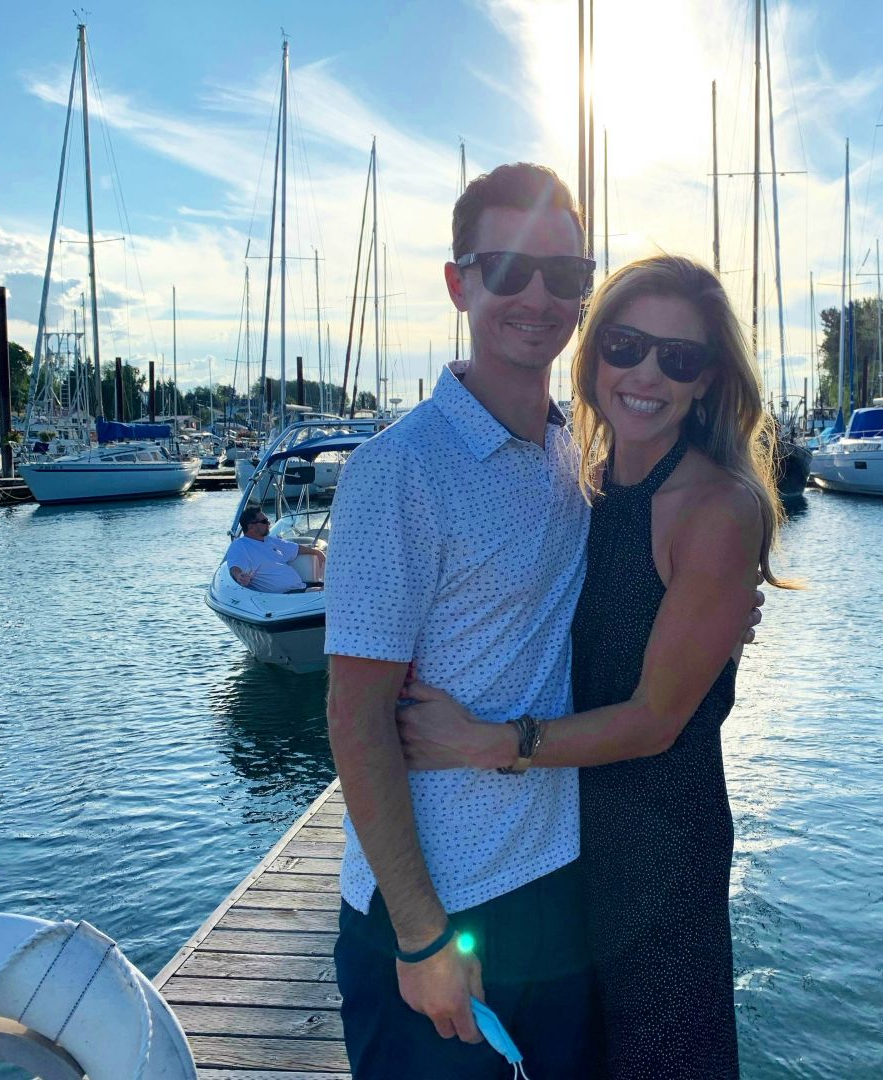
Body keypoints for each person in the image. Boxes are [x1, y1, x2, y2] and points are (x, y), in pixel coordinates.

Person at [398, 253, 792, 1079]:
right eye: (625, 345)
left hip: (658, 849)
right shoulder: (580, 479)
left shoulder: (715, 507)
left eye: (677, 358)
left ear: (705, 380)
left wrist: (490, 743)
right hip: (558, 839)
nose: (645, 374)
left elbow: (656, 721)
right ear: (593, 352)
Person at [325, 163, 601, 1079]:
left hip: (553, 884)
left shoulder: (575, 452)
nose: (538, 296)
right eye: (509, 268)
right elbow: (355, 716)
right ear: (460, 283)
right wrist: (420, 935)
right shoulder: (397, 470)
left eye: (564, 273)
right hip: (435, 912)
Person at [224, 506, 325, 592]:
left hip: (300, 588)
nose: (269, 524)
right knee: (330, 592)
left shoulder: (270, 540)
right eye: (264, 521)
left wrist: (317, 552)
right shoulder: (240, 545)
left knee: (330, 585)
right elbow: (234, 566)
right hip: (285, 596)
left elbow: (296, 548)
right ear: (251, 527)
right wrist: (239, 576)